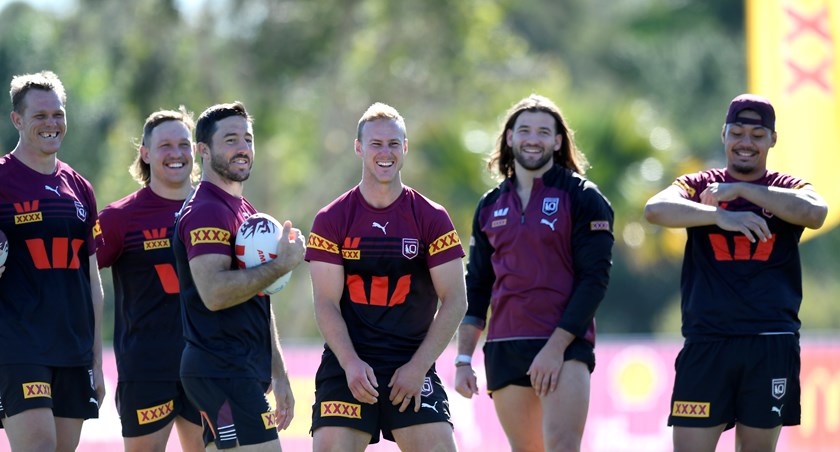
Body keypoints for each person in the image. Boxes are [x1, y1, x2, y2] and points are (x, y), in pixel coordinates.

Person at [644, 94, 828, 451]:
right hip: (707, 342)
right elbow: (655, 210)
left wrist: (744, 190)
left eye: (757, 135)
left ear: (773, 139)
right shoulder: (700, 186)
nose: (746, 142)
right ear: (723, 135)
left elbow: (816, 213)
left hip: (770, 342)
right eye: (738, 132)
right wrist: (719, 215)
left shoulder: (789, 186)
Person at [455, 94, 614, 452]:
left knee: (561, 447)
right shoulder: (490, 204)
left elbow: (595, 281)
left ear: (558, 142)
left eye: (544, 132)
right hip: (504, 347)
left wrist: (555, 348)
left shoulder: (583, 196)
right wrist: (464, 358)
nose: (533, 138)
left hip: (564, 345)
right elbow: (476, 286)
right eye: (524, 129)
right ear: (509, 137)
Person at [306, 102, 467, 451]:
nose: (385, 152)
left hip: (411, 361)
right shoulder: (331, 219)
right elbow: (326, 302)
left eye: (394, 144)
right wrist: (349, 363)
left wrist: (419, 366)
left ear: (405, 148)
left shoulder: (432, 217)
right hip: (348, 362)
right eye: (376, 144)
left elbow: (456, 299)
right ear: (359, 147)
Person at [172, 101, 305, 450]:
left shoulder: (244, 210)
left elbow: (259, 295)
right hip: (221, 368)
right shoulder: (206, 210)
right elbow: (214, 293)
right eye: (230, 139)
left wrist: (279, 371)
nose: (243, 148)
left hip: (237, 369)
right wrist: (281, 264)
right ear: (203, 150)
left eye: (247, 138)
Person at [0, 70, 106, 451]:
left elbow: (92, 279)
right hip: (18, 347)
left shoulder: (79, 187)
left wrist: (96, 359)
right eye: (40, 115)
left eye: (57, 114)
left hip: (72, 350)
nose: (51, 123)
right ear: (17, 120)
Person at [96, 107, 204, 452]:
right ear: (145, 153)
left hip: (209, 363)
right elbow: (75, 278)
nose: (176, 153)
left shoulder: (219, 208)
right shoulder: (118, 218)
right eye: (165, 146)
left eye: (183, 144)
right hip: (146, 367)